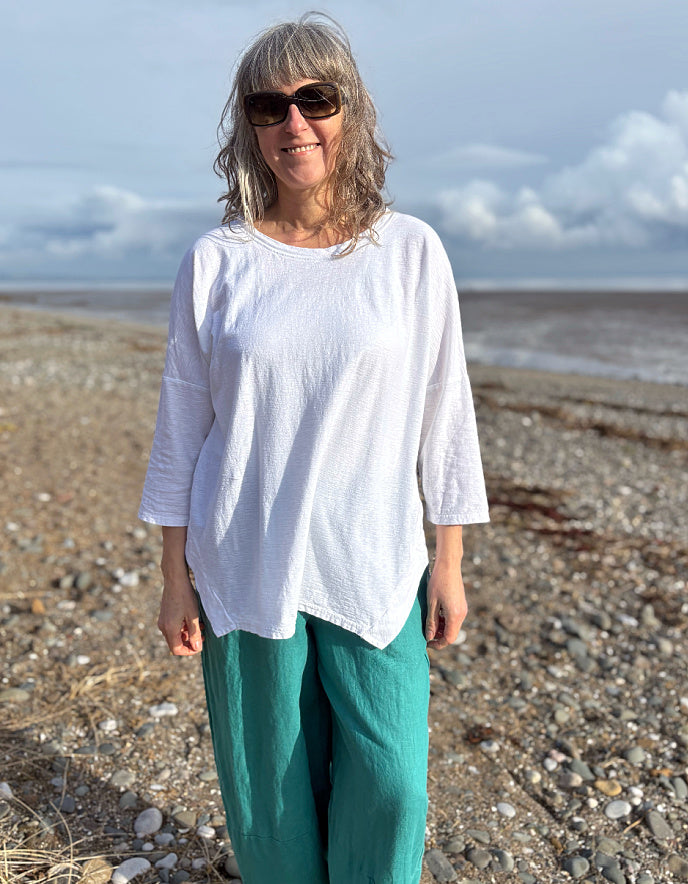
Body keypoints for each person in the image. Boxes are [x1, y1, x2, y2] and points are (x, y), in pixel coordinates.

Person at [138, 12, 489, 884]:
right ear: (249, 128)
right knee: (272, 797)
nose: (293, 123)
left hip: (373, 557)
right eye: (269, 106)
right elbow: (184, 421)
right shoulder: (219, 261)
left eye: (314, 99)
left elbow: (446, 409)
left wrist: (449, 559)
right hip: (245, 555)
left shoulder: (408, 252)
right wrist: (173, 573)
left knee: (394, 783)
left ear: (351, 111)